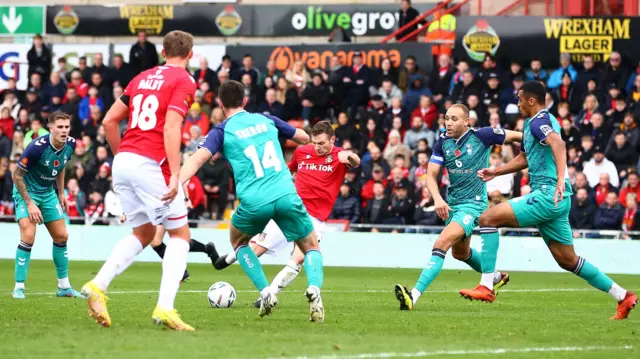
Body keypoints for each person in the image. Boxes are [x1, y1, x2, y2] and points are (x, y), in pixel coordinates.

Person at [470, 81, 637, 319]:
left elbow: (558, 143)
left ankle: (487, 286)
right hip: (557, 199)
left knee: (487, 218)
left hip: (548, 194)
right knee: (568, 260)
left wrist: (560, 179)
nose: (517, 103)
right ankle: (623, 296)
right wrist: (496, 172)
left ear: (531, 100)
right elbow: (525, 158)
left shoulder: (539, 120)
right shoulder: (533, 124)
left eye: (519, 99)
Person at [179, 80, 325, 322]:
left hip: (254, 201)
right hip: (286, 193)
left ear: (220, 103)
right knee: (310, 246)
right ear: (244, 100)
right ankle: (314, 289)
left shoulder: (221, 131)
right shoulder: (266, 119)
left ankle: (266, 292)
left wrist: (176, 184)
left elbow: (197, 160)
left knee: (238, 242)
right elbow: (301, 137)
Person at [81, 30, 198, 331]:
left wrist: (124, 157)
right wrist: (174, 174)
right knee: (180, 235)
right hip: (152, 164)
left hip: (124, 161)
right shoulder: (184, 80)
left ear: (162, 51)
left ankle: (98, 284)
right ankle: (165, 308)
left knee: (144, 232)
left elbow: (109, 120)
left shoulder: (141, 77)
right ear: (191, 53)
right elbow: (172, 128)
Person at [213, 120, 360, 308]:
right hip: (290, 208)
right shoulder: (302, 152)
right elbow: (285, 171)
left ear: (333, 139)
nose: (317, 147)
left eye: (322, 143)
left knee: (299, 258)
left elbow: (355, 162)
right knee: (256, 250)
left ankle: (268, 296)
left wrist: (349, 155)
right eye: (314, 143)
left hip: (315, 218)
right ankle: (228, 258)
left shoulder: (340, 156)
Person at [394, 104, 519, 310]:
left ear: (466, 122)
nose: (448, 123)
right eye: (446, 118)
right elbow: (431, 175)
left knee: (441, 243)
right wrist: (438, 199)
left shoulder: (483, 135)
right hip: (453, 205)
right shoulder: (443, 142)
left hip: (473, 205)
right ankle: (496, 277)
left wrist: (539, 144)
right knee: (460, 253)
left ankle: (412, 297)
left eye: (454, 119)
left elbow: (520, 136)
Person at [11, 111, 82, 299]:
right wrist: (30, 203)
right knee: (28, 235)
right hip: (27, 192)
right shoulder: (36, 148)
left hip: (48, 192)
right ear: (50, 128)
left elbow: (60, 165)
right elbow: (16, 175)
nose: (64, 131)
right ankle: (19, 287)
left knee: (61, 235)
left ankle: (64, 287)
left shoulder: (71, 144)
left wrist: (61, 192)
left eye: (66, 127)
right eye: (60, 127)